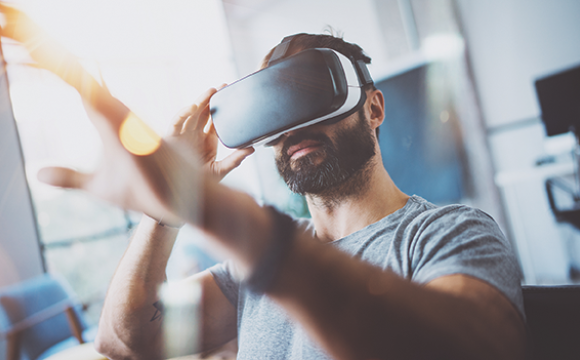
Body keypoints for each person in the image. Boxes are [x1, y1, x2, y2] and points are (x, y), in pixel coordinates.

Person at [86, 33, 526, 360]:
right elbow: (125, 341)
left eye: (310, 94)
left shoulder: (444, 234)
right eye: (274, 108)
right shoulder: (244, 275)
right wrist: (166, 209)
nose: (292, 127)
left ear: (373, 109)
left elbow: (482, 347)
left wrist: (253, 238)